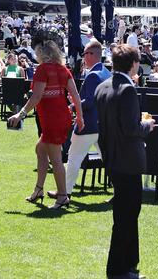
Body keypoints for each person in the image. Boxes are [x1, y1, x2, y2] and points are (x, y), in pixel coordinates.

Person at [95, 44, 154, 279]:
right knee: (126, 216)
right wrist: (147, 126)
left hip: (112, 158)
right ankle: (118, 269)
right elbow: (131, 128)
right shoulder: (127, 90)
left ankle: (129, 261)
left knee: (127, 213)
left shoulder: (102, 87)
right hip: (128, 160)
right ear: (133, 64)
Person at [7, 40, 84, 209]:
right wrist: (80, 116)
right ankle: (39, 190)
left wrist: (20, 114)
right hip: (62, 116)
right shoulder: (64, 70)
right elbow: (75, 94)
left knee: (55, 158)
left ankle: (63, 196)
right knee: (40, 149)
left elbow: (36, 97)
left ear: (42, 53)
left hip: (51, 118)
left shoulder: (42, 69)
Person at [55, 40, 111, 199]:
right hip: (103, 125)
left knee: (73, 158)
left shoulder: (93, 75)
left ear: (91, 55)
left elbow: (90, 101)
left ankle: (64, 191)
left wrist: (73, 106)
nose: (83, 57)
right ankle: (121, 192)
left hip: (88, 125)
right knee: (108, 160)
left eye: (84, 54)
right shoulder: (107, 72)